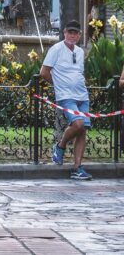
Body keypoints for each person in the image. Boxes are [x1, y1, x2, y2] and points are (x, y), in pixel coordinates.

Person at [40, 20, 92, 180]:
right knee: (78, 124)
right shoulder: (56, 49)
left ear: (79, 35)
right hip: (66, 96)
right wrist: (59, 85)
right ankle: (60, 146)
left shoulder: (80, 51)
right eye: (70, 32)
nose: (72, 35)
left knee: (82, 130)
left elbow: (78, 72)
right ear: (64, 33)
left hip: (82, 95)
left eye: (75, 33)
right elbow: (44, 72)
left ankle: (77, 168)